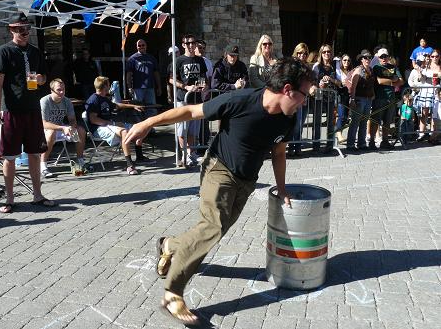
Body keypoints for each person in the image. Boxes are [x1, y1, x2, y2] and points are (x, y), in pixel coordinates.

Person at [124, 57, 313, 326]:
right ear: (286, 89)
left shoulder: (287, 119)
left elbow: (279, 152)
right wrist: (148, 123)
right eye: (303, 95)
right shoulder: (241, 101)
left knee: (215, 229)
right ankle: (173, 294)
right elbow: (191, 112)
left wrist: (282, 188)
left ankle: (169, 245)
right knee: (212, 228)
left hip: (247, 180)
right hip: (219, 169)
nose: (304, 101)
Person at [0, 12, 55, 213]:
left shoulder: (35, 52)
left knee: (35, 154)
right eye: (20, 29)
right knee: (9, 156)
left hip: (33, 110)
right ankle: (9, 199)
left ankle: (37, 195)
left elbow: (45, 78)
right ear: (11, 30)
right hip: (11, 111)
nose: (25, 32)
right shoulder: (3, 52)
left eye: (27, 28)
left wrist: (40, 80)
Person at [85, 76, 150, 175]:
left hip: (109, 125)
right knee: (124, 131)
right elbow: (93, 120)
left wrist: (133, 106)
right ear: (105, 86)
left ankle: (140, 156)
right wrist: (113, 123)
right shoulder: (93, 100)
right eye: (109, 84)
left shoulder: (104, 98)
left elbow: (117, 105)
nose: (110, 87)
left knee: (139, 127)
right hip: (98, 129)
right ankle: (130, 165)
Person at [168, 34, 208, 167]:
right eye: (188, 43)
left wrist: (204, 86)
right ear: (184, 45)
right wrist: (186, 86)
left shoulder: (200, 60)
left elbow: (204, 78)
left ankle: (191, 154)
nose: (191, 45)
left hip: (196, 99)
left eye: (193, 43)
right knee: (182, 129)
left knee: (193, 130)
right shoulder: (179, 60)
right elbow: (171, 79)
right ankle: (184, 154)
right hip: (182, 99)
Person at [40, 78, 87, 178]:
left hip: (61, 128)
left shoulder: (67, 101)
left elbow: (72, 119)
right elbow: (44, 123)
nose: (61, 92)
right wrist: (62, 128)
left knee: (81, 131)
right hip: (45, 129)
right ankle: (43, 165)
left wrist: (72, 127)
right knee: (51, 133)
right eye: (58, 90)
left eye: (63, 89)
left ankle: (80, 161)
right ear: (51, 90)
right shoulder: (45, 101)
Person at [370, 48, 404, 150]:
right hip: (379, 98)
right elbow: (379, 81)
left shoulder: (393, 67)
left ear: (389, 57)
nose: (384, 58)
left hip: (391, 98)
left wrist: (394, 80)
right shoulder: (376, 67)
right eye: (381, 57)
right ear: (378, 58)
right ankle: (371, 141)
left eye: (385, 56)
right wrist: (392, 80)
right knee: (376, 121)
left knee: (387, 121)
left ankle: (385, 142)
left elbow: (401, 81)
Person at [312, 44, 340, 153]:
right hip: (319, 94)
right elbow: (312, 81)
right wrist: (319, 84)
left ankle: (329, 145)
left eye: (328, 51)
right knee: (317, 121)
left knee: (330, 122)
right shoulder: (316, 66)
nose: (326, 54)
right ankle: (316, 145)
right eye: (324, 52)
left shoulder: (335, 65)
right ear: (321, 54)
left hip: (331, 95)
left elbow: (340, 82)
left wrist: (331, 80)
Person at [346, 50, 376, 151]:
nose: (368, 59)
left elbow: (372, 85)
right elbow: (353, 87)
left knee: (364, 122)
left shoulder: (371, 70)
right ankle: (350, 144)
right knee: (355, 121)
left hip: (368, 99)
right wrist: (353, 99)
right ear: (362, 59)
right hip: (359, 98)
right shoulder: (358, 70)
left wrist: (373, 94)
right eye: (365, 58)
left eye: (369, 57)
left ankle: (361, 143)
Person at [288, 42, 314, 156]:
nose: (302, 55)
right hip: (294, 99)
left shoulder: (308, 67)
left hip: (305, 99)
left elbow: (310, 82)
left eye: (305, 53)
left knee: (301, 124)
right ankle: (291, 146)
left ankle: (297, 147)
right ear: (296, 53)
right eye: (299, 53)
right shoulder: (291, 66)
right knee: (295, 124)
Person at [126, 39, 162, 120]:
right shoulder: (132, 59)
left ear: (146, 46)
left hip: (150, 87)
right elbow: (129, 74)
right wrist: (129, 87)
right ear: (136, 47)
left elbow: (156, 73)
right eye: (139, 45)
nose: (141, 47)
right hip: (137, 88)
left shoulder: (151, 58)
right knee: (138, 108)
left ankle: (150, 128)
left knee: (152, 108)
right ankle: (139, 127)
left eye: (143, 45)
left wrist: (159, 87)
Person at [335, 54, 353, 144]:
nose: (346, 62)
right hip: (340, 94)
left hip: (348, 95)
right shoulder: (338, 70)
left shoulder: (351, 71)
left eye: (348, 60)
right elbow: (338, 82)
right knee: (341, 115)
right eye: (344, 60)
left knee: (345, 117)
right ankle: (338, 134)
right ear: (341, 61)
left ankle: (339, 134)